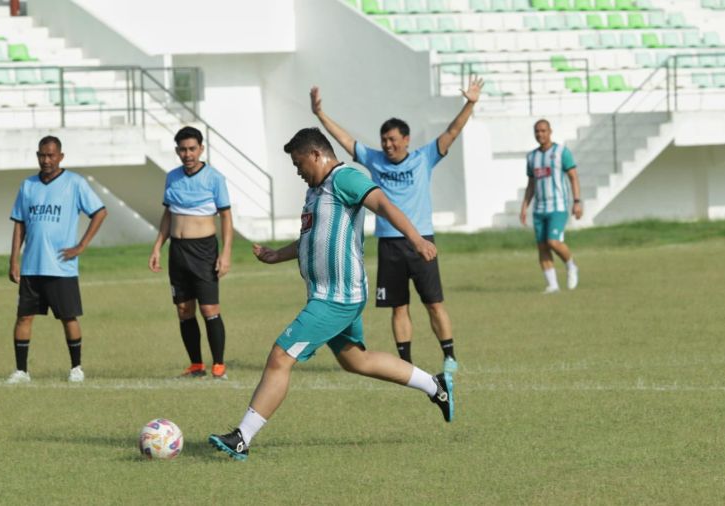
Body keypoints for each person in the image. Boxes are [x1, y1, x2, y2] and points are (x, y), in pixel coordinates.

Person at [208, 127, 453, 461]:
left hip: (337, 298)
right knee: (357, 360)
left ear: (315, 155)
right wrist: (275, 255)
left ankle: (242, 437)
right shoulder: (315, 192)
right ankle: (434, 385)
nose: (298, 172)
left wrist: (416, 239)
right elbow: (311, 239)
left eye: (298, 164)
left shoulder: (344, 178)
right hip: (325, 295)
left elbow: (383, 204)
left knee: (281, 356)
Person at [309, 77, 483, 375]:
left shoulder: (423, 157)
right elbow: (345, 140)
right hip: (389, 243)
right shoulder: (374, 160)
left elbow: (452, 132)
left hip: (421, 240)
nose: (387, 145)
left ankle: (449, 356)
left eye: (392, 139)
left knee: (434, 303)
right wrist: (320, 115)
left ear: (406, 139)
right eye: (384, 140)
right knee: (398, 306)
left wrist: (470, 103)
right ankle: (405, 360)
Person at [7, 136, 108, 384]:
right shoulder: (28, 185)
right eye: (42, 155)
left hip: (61, 267)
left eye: (51, 155)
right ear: (37, 155)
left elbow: (100, 212)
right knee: (23, 317)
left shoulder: (74, 183)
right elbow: (19, 223)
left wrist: (81, 246)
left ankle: (76, 368)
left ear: (61, 156)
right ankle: (21, 371)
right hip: (32, 266)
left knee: (68, 317)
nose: (46, 160)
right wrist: (14, 260)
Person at [149, 126, 233, 379]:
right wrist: (157, 247)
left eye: (192, 149)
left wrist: (226, 253)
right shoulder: (172, 177)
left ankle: (218, 364)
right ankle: (196, 365)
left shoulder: (214, 178)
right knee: (184, 310)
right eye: (183, 149)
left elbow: (227, 217)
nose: (188, 154)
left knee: (209, 309)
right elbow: (168, 214)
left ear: (201, 149)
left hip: (204, 250)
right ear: (177, 151)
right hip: (178, 250)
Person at [519, 119, 582, 293]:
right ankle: (552, 285)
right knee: (542, 246)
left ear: (550, 131)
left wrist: (577, 201)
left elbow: (573, 177)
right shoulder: (532, 157)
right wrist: (525, 206)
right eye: (537, 131)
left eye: (543, 131)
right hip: (539, 209)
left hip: (558, 206)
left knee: (553, 242)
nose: (540, 134)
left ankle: (571, 266)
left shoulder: (562, 152)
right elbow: (531, 184)